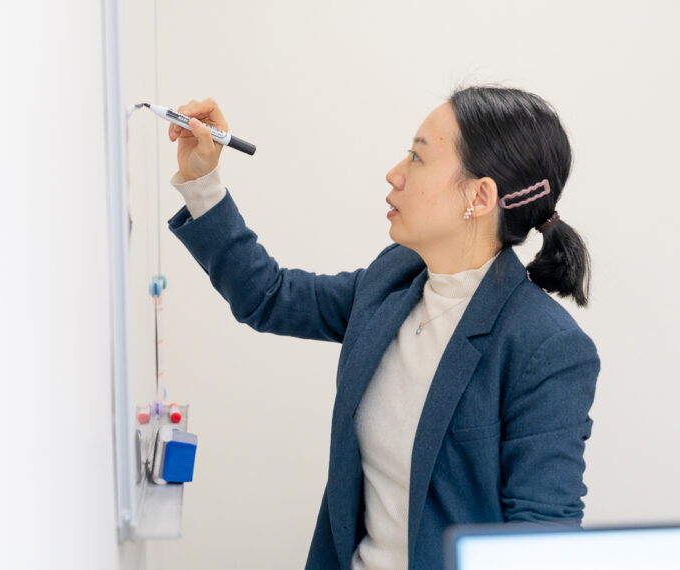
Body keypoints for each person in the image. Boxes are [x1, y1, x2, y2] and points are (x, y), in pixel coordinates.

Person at [165, 85, 600, 570]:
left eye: (417, 158)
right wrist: (203, 181)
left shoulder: (545, 346)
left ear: (479, 197)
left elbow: (542, 542)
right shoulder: (393, 279)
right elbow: (269, 296)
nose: (394, 173)